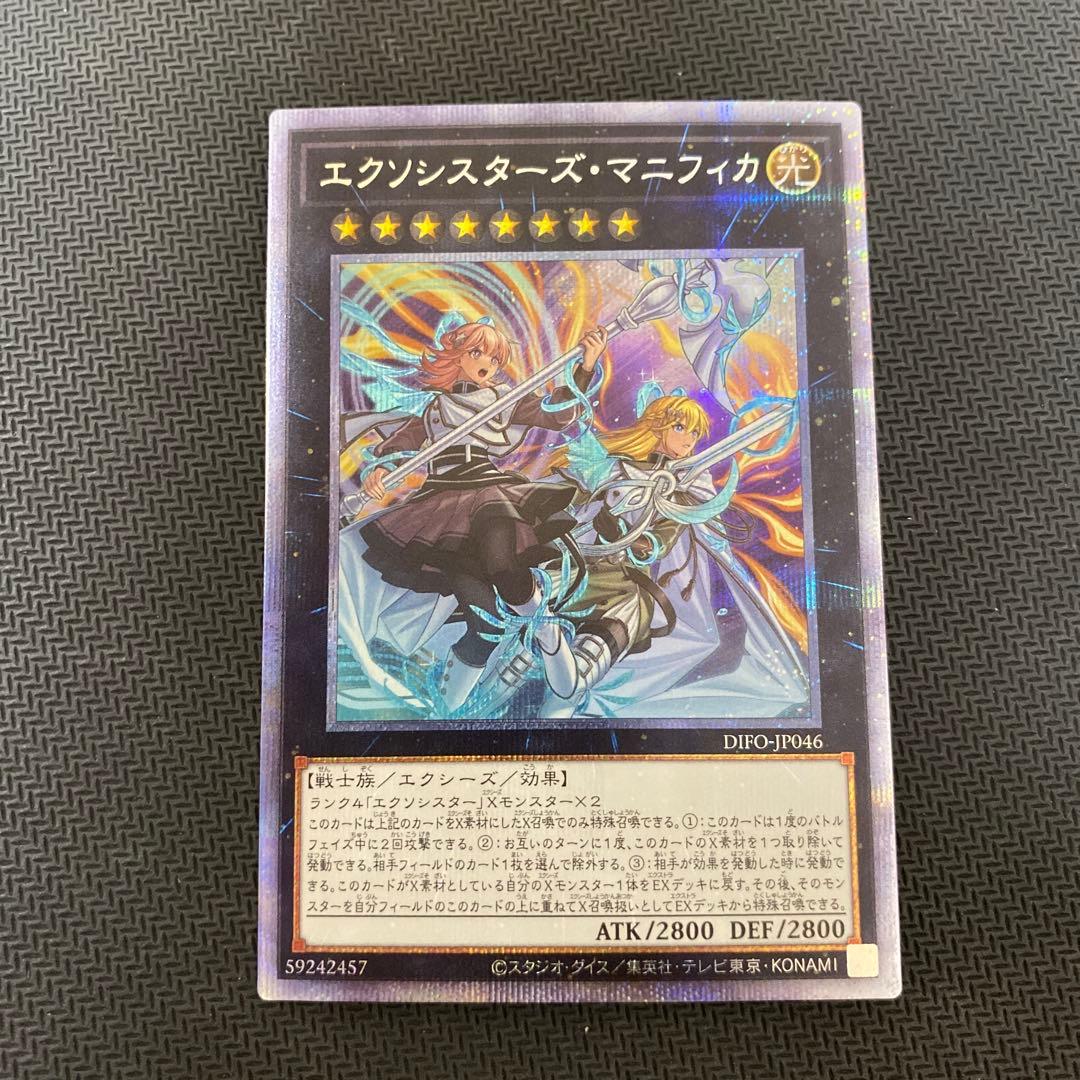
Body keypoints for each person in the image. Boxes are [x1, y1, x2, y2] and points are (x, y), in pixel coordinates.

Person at [350, 318, 608, 710]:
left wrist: (585, 366)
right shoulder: (434, 410)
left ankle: (545, 627)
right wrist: (378, 472)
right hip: (441, 508)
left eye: (494, 358)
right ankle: (448, 710)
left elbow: (557, 415)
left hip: (486, 492)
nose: (487, 363)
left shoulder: (505, 398)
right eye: (477, 353)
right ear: (456, 356)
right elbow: (394, 452)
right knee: (486, 624)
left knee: (504, 568)